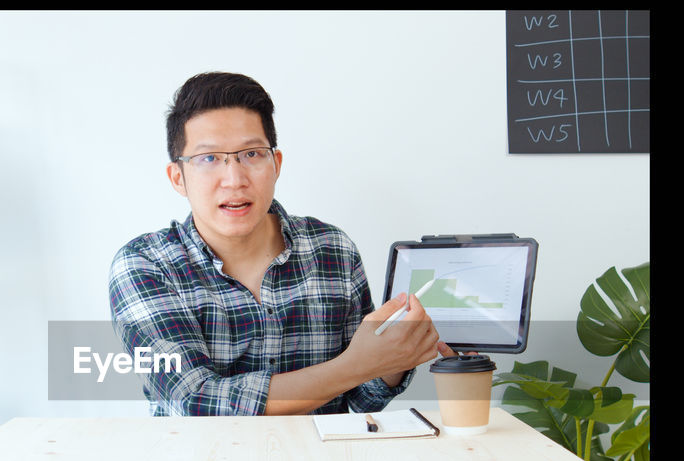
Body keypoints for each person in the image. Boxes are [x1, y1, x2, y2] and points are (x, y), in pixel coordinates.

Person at [109, 71, 455, 416]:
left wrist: (395, 354)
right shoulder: (145, 265)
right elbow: (195, 402)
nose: (234, 180)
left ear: (275, 164)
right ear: (177, 178)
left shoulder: (332, 249)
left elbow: (364, 398)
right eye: (209, 158)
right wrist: (356, 365)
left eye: (252, 154)